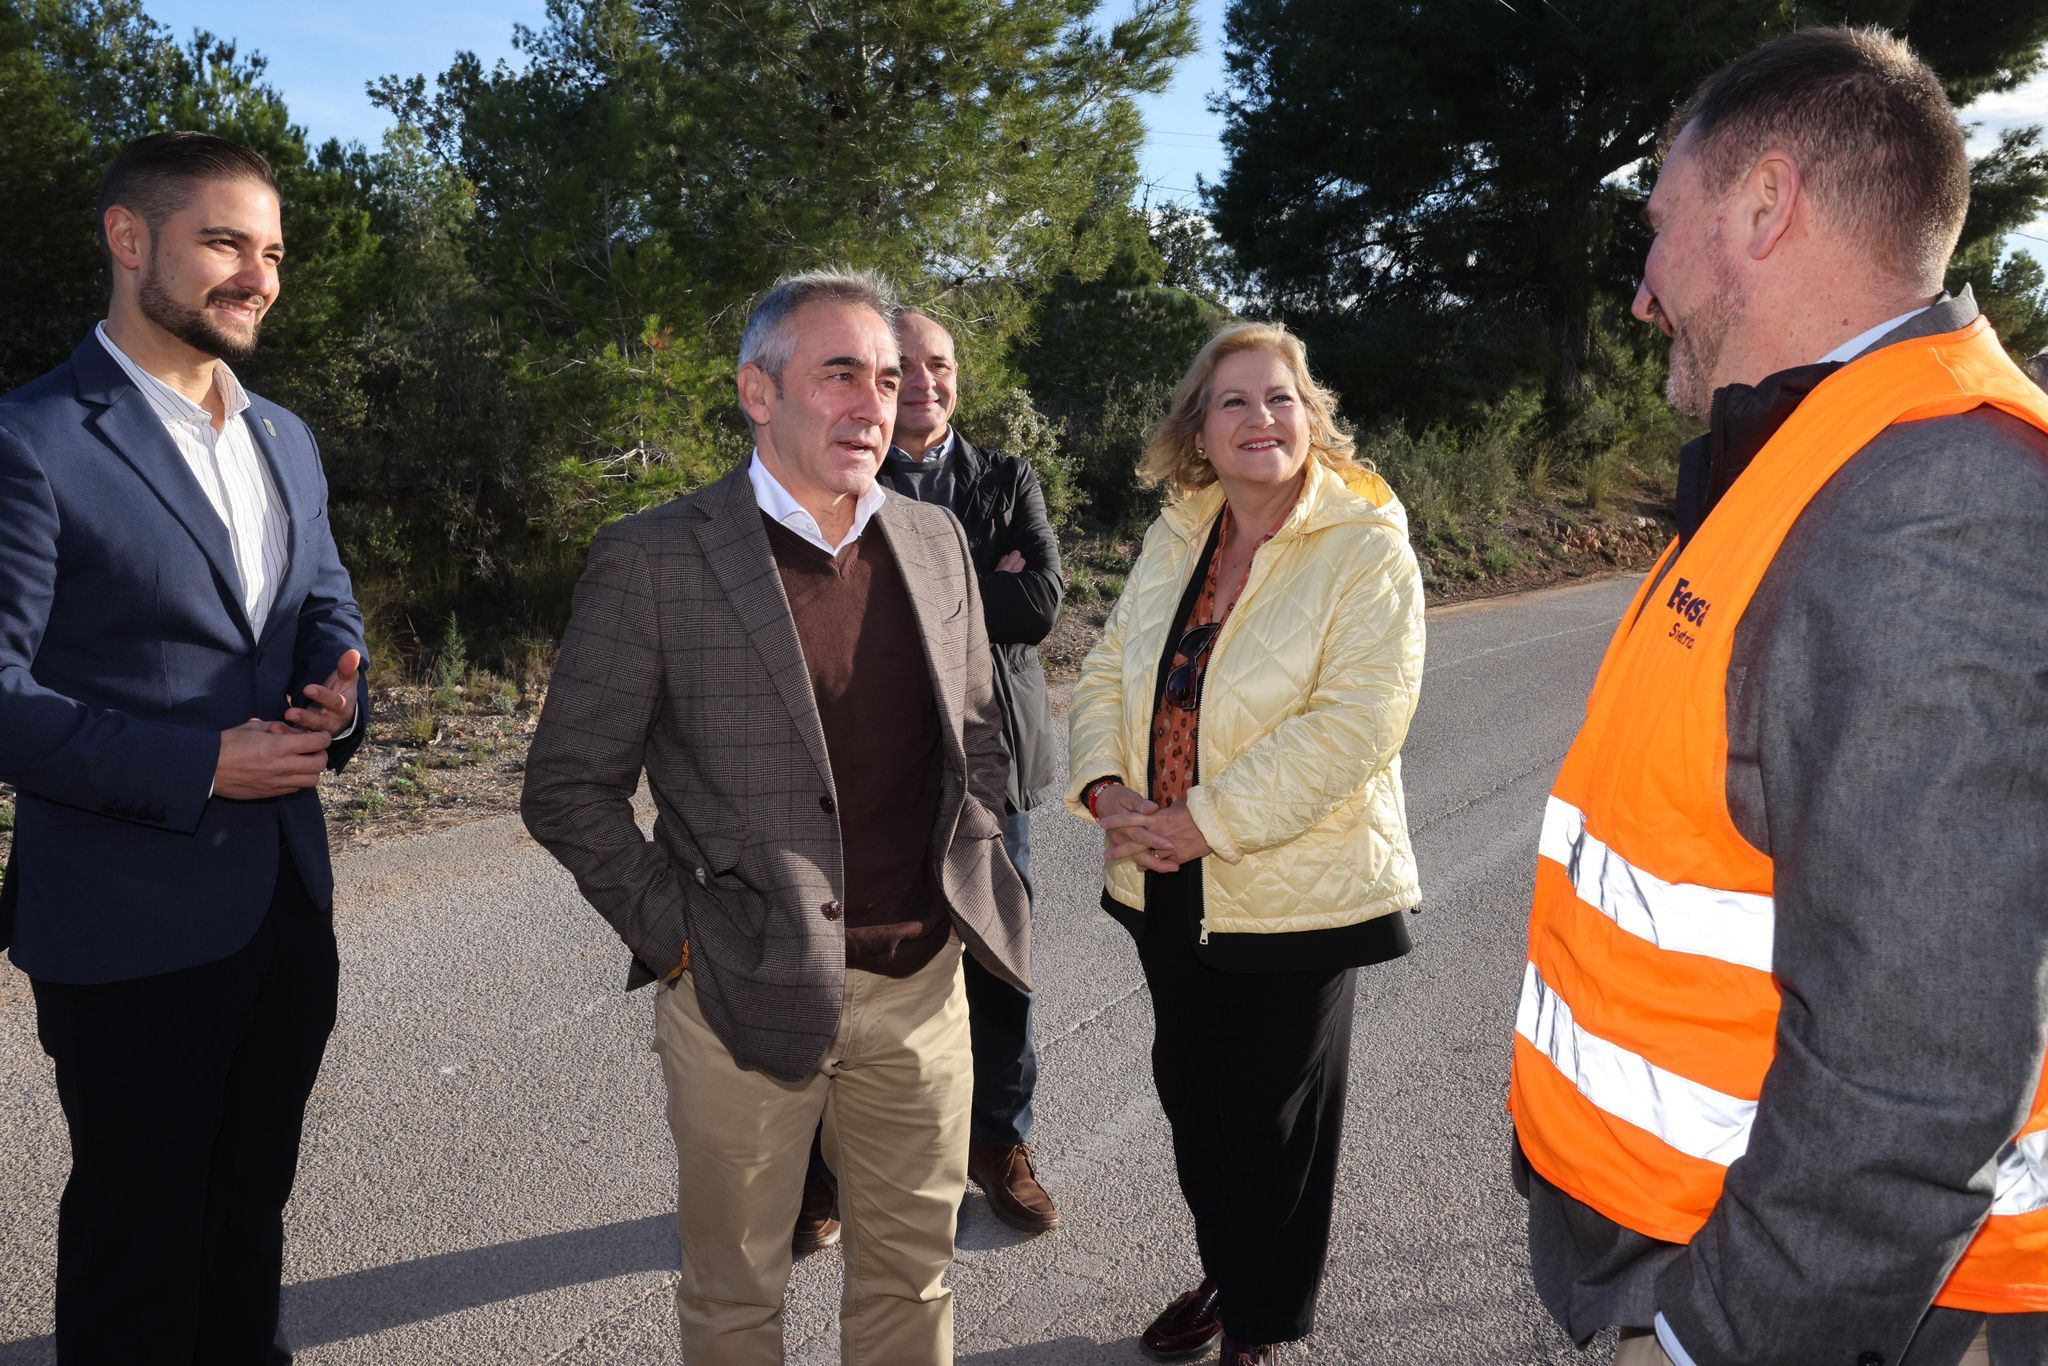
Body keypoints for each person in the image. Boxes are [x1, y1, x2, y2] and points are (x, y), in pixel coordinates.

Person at [1507, 27, 2048, 1366]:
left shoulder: (1934, 502)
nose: (1640, 295)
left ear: (1763, 207)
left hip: (1851, 1305)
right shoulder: (1823, 460)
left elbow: (1916, 1068)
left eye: (1658, 228)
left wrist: (1718, 1339)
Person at [520, 268, 1031, 1366]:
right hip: (739, 994)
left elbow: (980, 730)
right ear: (758, 392)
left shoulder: (936, 542)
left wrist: (971, 867)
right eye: (838, 373)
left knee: (913, 1279)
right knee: (735, 1295)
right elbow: (566, 785)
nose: (872, 404)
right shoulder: (654, 558)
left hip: (922, 991)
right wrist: (683, 940)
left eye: (887, 379)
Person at [0, 132, 370, 1364]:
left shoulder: (286, 438)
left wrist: (337, 691)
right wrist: (196, 763)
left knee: (246, 1218)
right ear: (128, 239)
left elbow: (324, 599)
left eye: (270, 251)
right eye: (224, 242)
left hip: (284, 906)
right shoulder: (33, 439)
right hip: (123, 922)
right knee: (137, 1242)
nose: (258, 274)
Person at [1066, 321, 1426, 1366]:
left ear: (1311, 417)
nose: (1259, 418)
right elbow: (1103, 669)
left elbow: (1357, 722)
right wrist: (1103, 786)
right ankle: (1230, 1271)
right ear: (1198, 429)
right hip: (1163, 875)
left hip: (1294, 885)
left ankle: (1260, 1326)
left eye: (1279, 398)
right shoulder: (1178, 532)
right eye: (1232, 401)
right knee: (1192, 1098)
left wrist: (1201, 821)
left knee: (1271, 1126)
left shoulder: (1364, 544)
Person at [875, 308, 1064, 1235]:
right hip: (876, 755)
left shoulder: (1005, 477)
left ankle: (1000, 1140)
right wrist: (982, 577)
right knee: (866, 956)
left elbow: (1038, 604)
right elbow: (842, 602)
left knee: (999, 954)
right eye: (902, 364)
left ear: (959, 377)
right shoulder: (848, 473)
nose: (924, 381)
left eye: (940, 364)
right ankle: (837, 1164)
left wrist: (920, 587)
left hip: (993, 754)